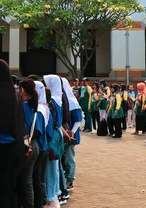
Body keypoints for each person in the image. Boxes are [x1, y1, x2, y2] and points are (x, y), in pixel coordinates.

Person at [0, 59, 25, 208]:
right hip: (16, 145)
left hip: (2, 147)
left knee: (0, 188)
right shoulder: (13, 93)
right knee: (11, 186)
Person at [18, 79, 42, 208]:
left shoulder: (22, 106)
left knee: (23, 180)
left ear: (22, 90)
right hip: (34, 145)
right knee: (28, 180)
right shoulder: (34, 107)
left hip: (25, 146)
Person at [43, 75, 64, 207]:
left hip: (52, 136)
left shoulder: (51, 102)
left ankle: (51, 196)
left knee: (50, 168)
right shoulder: (59, 99)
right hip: (58, 135)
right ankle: (55, 192)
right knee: (54, 167)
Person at [33, 81, 52, 208]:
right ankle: (43, 201)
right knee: (41, 178)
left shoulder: (39, 109)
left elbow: (37, 131)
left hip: (39, 146)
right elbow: (49, 131)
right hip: (44, 145)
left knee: (37, 179)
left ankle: (40, 203)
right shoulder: (45, 107)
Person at [61, 78, 82, 190]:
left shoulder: (72, 101)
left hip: (70, 135)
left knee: (69, 157)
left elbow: (78, 119)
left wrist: (71, 133)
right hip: (64, 134)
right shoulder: (62, 100)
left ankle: (70, 179)